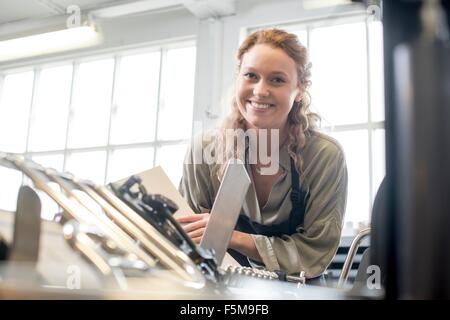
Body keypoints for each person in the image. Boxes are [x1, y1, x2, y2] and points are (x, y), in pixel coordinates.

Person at [177, 28, 347, 281]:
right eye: (251, 76)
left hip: (300, 289)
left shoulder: (324, 155)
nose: (260, 91)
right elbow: (193, 241)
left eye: (277, 79)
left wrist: (231, 235)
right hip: (221, 286)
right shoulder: (203, 150)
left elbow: (314, 253)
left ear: (300, 89)